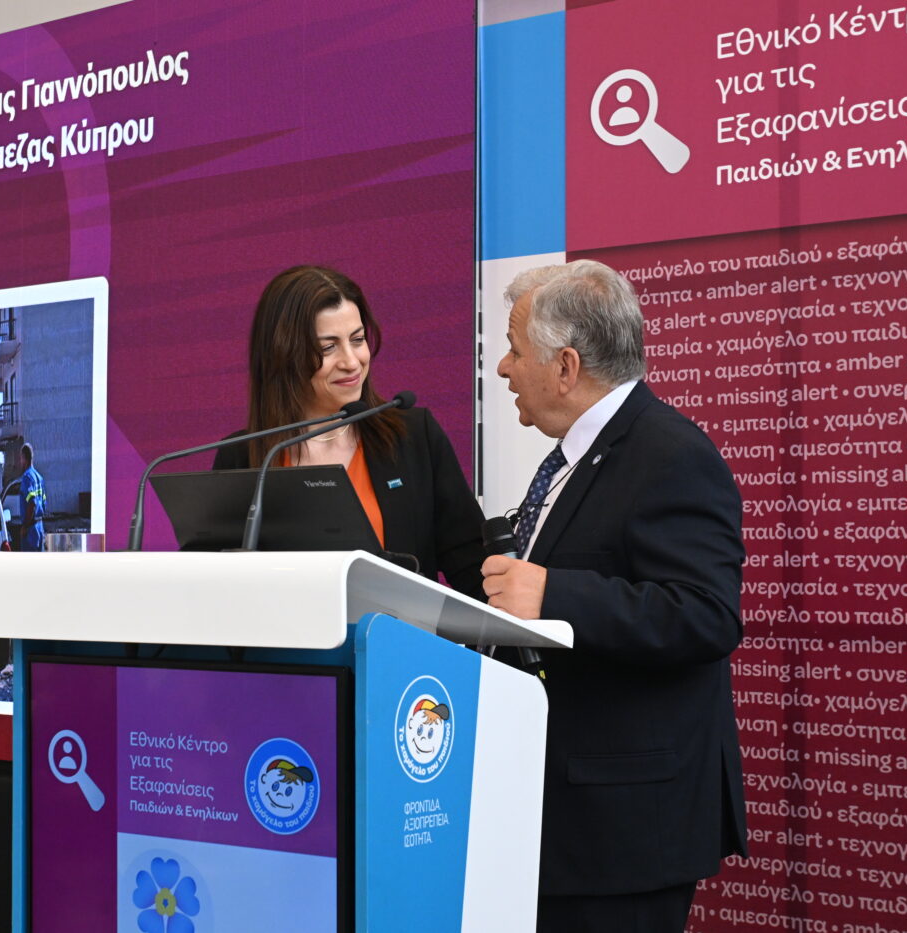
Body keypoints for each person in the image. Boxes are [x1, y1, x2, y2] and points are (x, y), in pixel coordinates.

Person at [482, 260, 747, 932]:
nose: (504, 369)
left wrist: (554, 593)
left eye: (515, 349)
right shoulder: (578, 456)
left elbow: (707, 615)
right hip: (567, 821)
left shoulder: (671, 454)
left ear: (565, 366)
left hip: (624, 833)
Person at [212, 265, 484, 597]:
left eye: (357, 340)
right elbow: (216, 586)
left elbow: (473, 567)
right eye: (328, 348)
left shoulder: (414, 436)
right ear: (282, 353)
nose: (352, 361)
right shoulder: (242, 456)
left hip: (395, 631)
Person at [19, 443, 46, 552]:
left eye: (21, 458)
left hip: (30, 531)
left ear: (24, 458)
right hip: (40, 528)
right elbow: (43, 502)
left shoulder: (27, 477)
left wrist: (25, 526)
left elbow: (32, 503)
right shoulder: (39, 477)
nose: (20, 462)